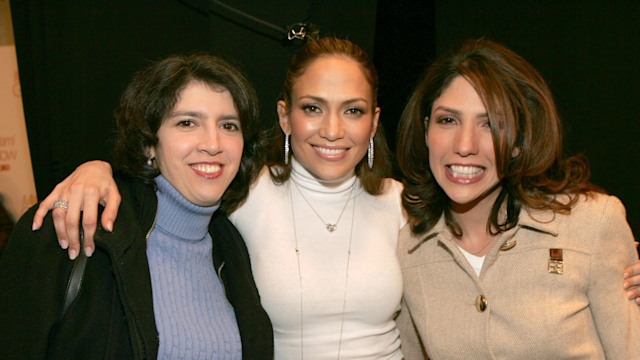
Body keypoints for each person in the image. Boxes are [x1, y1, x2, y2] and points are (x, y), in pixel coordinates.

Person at [31, 37, 406, 359]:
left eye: (352, 110)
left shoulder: (402, 205)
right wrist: (96, 170)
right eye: (313, 108)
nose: (332, 130)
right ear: (285, 117)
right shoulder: (244, 197)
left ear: (373, 123)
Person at [0, 54, 273, 359]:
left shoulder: (231, 246)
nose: (213, 143)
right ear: (148, 144)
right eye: (187, 123)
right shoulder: (79, 226)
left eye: (229, 125)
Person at [395, 38, 640, 359]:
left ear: (519, 140)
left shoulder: (592, 223)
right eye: (448, 120)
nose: (465, 144)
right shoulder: (410, 249)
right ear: (427, 131)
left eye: (490, 123)